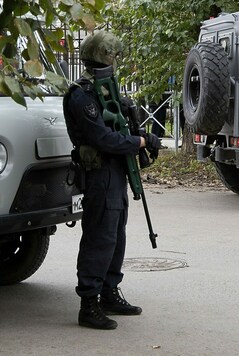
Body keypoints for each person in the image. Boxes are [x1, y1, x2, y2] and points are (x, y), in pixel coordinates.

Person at [63, 30, 161, 330]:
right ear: (102, 56)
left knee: (116, 234)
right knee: (100, 237)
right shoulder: (82, 94)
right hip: (100, 172)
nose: (116, 61)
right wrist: (139, 143)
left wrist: (141, 136)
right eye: (113, 56)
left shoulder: (106, 90)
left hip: (116, 170)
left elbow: (120, 123)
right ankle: (88, 303)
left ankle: (108, 292)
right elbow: (102, 138)